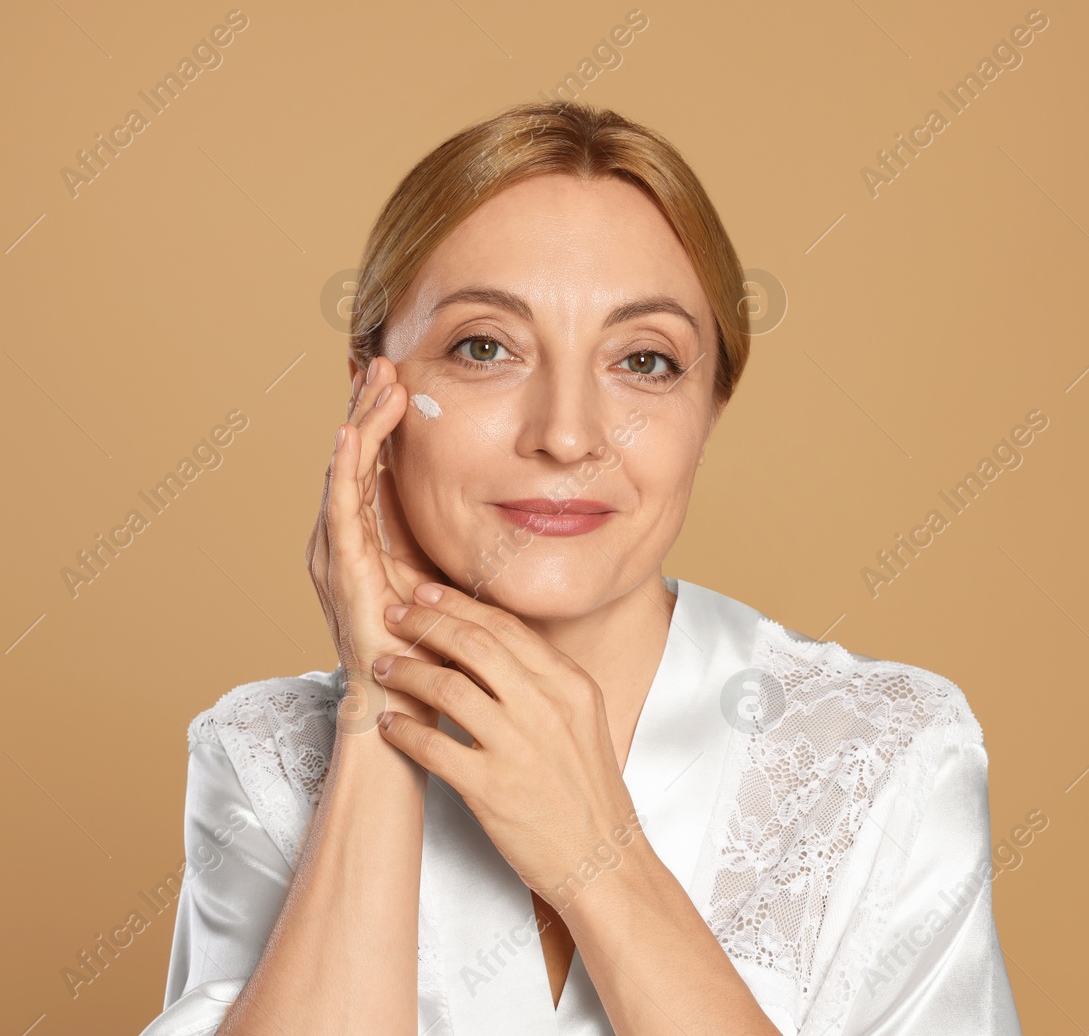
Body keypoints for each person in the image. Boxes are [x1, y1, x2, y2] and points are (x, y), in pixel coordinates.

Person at [138, 100, 1023, 1036]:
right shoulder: (265, 758)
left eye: (643, 361)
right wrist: (382, 708)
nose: (566, 435)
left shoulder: (887, 757)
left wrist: (599, 855)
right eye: (485, 348)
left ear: (710, 409)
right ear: (371, 392)